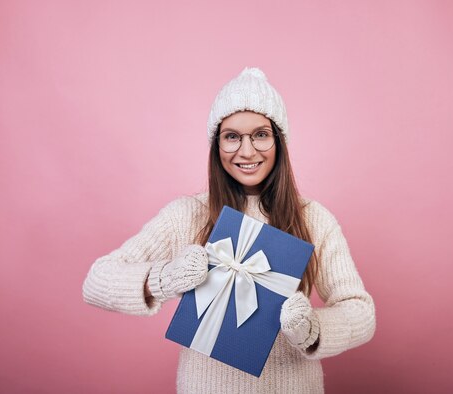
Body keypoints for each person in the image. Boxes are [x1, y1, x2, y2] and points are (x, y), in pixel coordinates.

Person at [82, 67, 376, 393]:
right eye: (232, 136)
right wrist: (166, 277)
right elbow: (96, 280)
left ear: (279, 142)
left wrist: (313, 328)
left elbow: (360, 311)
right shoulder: (187, 215)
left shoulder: (313, 219)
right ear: (216, 145)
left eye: (261, 135)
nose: (247, 151)